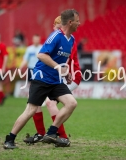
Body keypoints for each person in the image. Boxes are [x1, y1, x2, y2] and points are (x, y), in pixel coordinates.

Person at [3, 9, 80, 149]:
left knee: (71, 103)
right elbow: (41, 55)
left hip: (56, 81)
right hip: (42, 78)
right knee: (31, 110)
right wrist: (58, 68)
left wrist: (66, 73)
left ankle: (51, 133)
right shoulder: (56, 36)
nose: (79, 24)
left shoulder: (72, 40)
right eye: (77, 21)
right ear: (70, 22)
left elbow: (61, 61)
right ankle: (10, 139)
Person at [23, 16, 82, 147]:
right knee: (35, 100)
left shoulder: (67, 40)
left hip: (70, 76)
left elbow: (65, 63)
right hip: (58, 76)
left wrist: (64, 72)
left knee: (50, 103)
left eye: (57, 27)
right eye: (55, 27)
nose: (55, 30)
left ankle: (61, 137)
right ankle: (41, 134)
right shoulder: (58, 37)